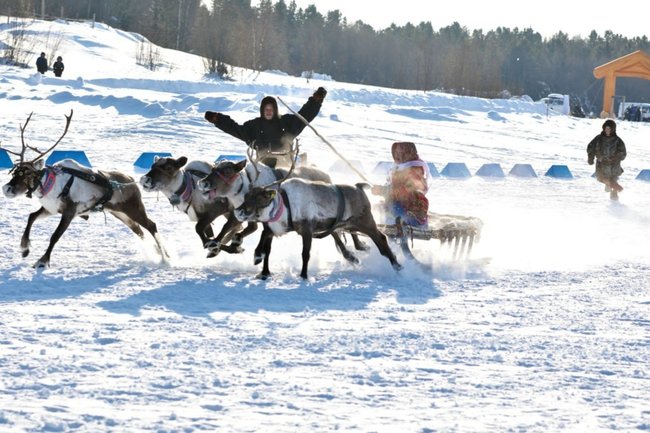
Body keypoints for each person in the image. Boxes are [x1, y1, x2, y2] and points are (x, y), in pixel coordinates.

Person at [204, 87, 327, 168]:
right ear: (262, 110)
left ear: (275, 110)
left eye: (271, 109)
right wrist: (218, 119)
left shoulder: (286, 122)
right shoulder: (254, 126)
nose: (268, 112)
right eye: (266, 109)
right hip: (262, 168)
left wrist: (315, 101)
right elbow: (234, 128)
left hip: (285, 168)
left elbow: (304, 116)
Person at [371, 141, 430, 226]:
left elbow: (405, 191)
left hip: (411, 209)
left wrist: (383, 190)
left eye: (401, 153)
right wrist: (381, 189)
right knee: (375, 208)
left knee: (394, 208)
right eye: (396, 152)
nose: (397, 155)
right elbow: (393, 187)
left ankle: (395, 228)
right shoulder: (398, 168)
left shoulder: (415, 169)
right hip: (398, 204)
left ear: (408, 153)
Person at [587, 119, 627, 200]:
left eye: (609, 129)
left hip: (614, 164)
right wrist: (591, 158)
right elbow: (591, 147)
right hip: (601, 163)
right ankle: (612, 186)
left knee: (613, 178)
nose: (607, 131)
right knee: (601, 178)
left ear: (613, 129)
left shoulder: (617, 140)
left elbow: (623, 152)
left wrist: (616, 157)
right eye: (606, 129)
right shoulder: (598, 138)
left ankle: (614, 193)